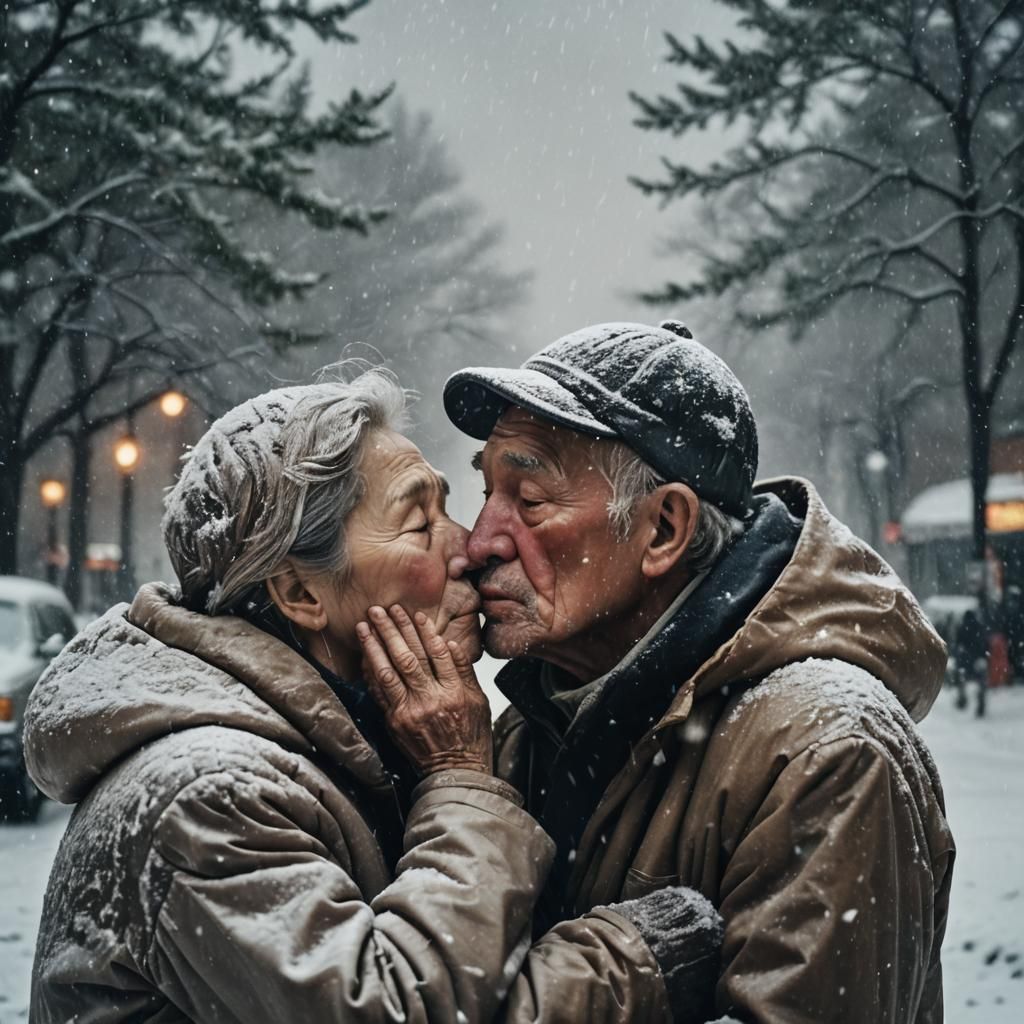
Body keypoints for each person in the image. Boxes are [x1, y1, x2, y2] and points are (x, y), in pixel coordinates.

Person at [24, 367, 722, 1023]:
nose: (470, 546)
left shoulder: (337, 747)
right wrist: (629, 966)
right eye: (420, 525)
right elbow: (402, 1007)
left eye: (450, 506)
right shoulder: (206, 794)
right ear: (301, 593)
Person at [436, 320, 956, 1023]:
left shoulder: (829, 753)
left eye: (528, 501)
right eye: (488, 493)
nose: (479, 541)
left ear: (663, 530)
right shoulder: (534, 725)